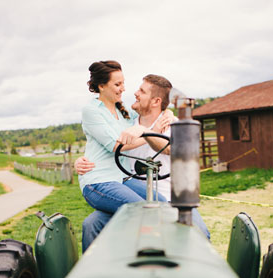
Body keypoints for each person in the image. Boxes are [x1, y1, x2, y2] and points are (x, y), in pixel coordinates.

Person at [75, 67, 209, 251]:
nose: (135, 93)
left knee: (200, 232)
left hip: (169, 199)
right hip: (127, 189)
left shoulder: (173, 124)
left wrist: (149, 130)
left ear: (156, 101)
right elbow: (105, 142)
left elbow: (173, 149)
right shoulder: (128, 121)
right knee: (91, 224)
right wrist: (81, 160)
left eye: (142, 91)